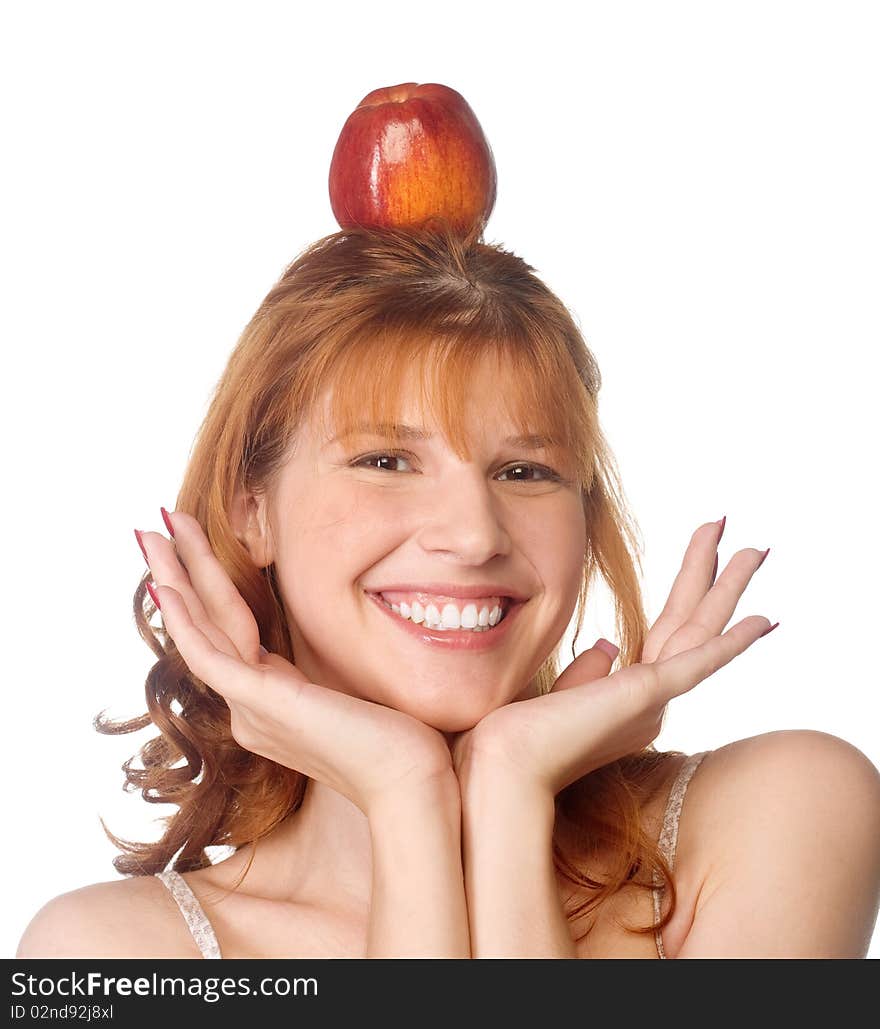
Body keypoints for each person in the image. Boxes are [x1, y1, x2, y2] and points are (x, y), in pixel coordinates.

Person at [16, 225, 880, 959]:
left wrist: (507, 788)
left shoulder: (785, 812)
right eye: (385, 460)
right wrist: (405, 792)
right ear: (253, 511)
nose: (474, 534)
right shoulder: (107, 953)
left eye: (526, 469)